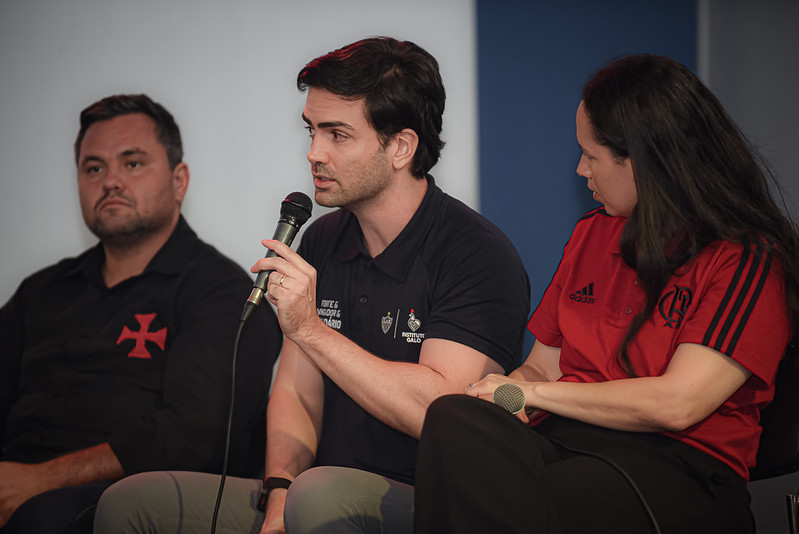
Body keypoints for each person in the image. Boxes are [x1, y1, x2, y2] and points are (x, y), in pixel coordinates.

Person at [93, 36, 530, 534]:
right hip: (309, 495)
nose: (313, 154)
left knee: (320, 495)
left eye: (337, 135)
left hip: (429, 503)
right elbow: (296, 395)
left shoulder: (475, 252)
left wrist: (310, 329)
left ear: (401, 147)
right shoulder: (321, 238)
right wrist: (279, 498)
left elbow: (441, 413)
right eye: (311, 131)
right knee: (132, 503)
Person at [413, 53, 799, 534]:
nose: (580, 170)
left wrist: (533, 393)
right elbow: (539, 367)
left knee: (515, 497)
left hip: (678, 469)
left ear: (645, 160)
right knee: (455, 418)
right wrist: (504, 398)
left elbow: (676, 404)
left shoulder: (745, 259)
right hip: (565, 442)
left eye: (591, 155)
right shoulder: (591, 234)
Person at [0, 94, 282, 534]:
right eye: (94, 168)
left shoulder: (223, 294)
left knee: (44, 519)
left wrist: (39, 481)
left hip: (125, 503)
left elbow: (196, 437)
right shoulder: (42, 291)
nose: (110, 181)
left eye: (132, 164)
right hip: (14, 484)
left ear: (178, 180)